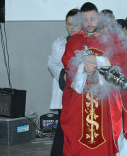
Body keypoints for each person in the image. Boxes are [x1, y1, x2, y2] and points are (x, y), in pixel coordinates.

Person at [61, 2, 127, 156]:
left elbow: (122, 59)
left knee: (106, 136)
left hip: (105, 100)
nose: (89, 23)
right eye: (85, 19)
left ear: (99, 18)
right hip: (80, 101)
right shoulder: (74, 40)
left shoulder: (111, 37)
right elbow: (68, 63)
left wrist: (99, 61)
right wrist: (82, 67)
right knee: (78, 136)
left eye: (93, 19)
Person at [48, 8, 80, 156]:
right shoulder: (60, 43)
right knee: (63, 128)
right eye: (68, 24)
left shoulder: (88, 42)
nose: (72, 28)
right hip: (65, 91)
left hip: (82, 94)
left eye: (75, 24)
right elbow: (52, 63)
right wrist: (63, 74)